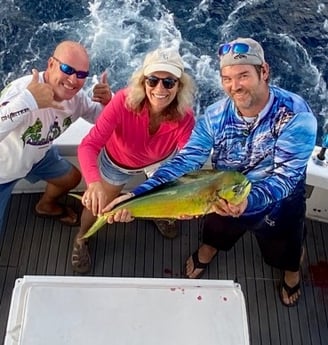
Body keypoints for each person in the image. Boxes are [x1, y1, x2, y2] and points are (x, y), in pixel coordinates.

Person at [104, 37, 317, 307]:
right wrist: (137, 194)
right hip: (220, 196)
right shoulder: (215, 115)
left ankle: (291, 271)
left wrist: (247, 201)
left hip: (277, 204)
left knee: (285, 248)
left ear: (264, 71)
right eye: (227, 78)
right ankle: (208, 251)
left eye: (243, 76)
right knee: (215, 233)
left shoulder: (296, 116)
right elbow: (186, 160)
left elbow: (285, 179)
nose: (235, 86)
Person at [71, 47, 195, 274]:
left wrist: (183, 199)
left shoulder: (185, 116)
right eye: (153, 81)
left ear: (179, 86)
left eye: (169, 82)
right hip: (118, 163)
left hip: (161, 164)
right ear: (142, 82)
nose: (160, 89)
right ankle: (81, 237)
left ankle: (160, 215)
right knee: (98, 205)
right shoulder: (122, 101)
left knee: (166, 200)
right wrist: (94, 183)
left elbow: (189, 159)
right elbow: (89, 145)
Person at [0, 40, 112, 232]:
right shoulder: (22, 92)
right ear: (51, 64)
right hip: (3, 172)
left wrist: (109, 102)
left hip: (37, 154)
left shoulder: (76, 99)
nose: (73, 79)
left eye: (81, 74)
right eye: (67, 69)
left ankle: (45, 206)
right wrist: (29, 101)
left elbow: (99, 117)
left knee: (70, 178)